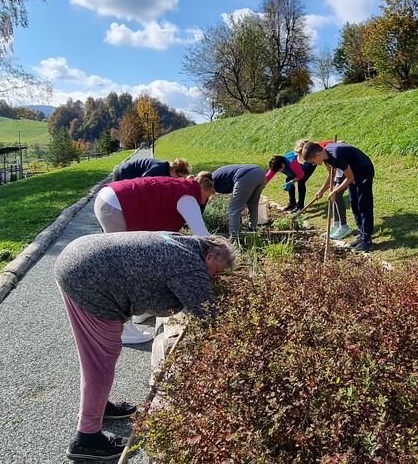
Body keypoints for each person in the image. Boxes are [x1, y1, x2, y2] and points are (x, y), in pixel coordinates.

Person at [55, 231, 238, 461]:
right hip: (87, 277)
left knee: (98, 355)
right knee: (100, 360)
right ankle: (86, 439)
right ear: (210, 256)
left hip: (80, 258)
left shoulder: (184, 243)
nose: (212, 278)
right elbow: (209, 317)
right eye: (216, 271)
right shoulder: (191, 266)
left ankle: (99, 407)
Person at [93, 172, 217, 344]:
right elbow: (201, 234)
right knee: (123, 267)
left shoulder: (180, 188)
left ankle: (141, 311)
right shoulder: (189, 197)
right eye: (207, 197)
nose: (204, 202)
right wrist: (225, 252)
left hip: (112, 199)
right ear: (203, 188)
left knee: (140, 261)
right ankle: (123, 329)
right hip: (115, 205)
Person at [299, 140, 375, 251]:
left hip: (363, 170)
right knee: (354, 204)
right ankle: (361, 234)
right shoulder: (326, 156)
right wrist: (322, 191)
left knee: (363, 205)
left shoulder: (336, 156)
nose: (313, 164)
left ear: (318, 155)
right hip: (353, 172)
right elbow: (332, 175)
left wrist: (335, 191)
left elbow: (350, 178)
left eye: (313, 161)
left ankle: (367, 239)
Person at [211, 164, 266, 239]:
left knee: (233, 209)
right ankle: (252, 230)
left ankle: (234, 238)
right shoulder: (215, 179)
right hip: (260, 172)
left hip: (246, 175)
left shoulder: (211, 182)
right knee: (252, 204)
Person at [112, 157, 189, 182]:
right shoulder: (159, 169)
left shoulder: (165, 169)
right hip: (124, 173)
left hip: (125, 173)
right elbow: (143, 181)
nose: (179, 179)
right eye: (179, 176)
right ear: (174, 171)